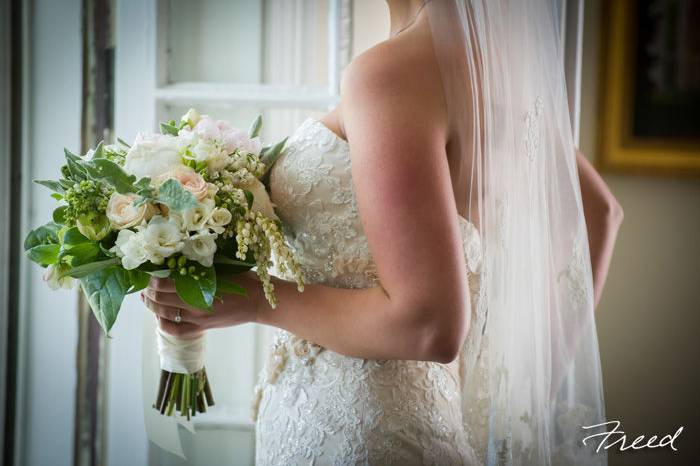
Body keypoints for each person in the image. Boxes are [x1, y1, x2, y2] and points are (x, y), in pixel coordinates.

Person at [143, 1, 622, 464]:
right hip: (399, 422)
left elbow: (429, 325)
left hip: (363, 435)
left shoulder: (391, 74)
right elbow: (600, 214)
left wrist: (254, 299)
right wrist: (524, 407)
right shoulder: (491, 67)